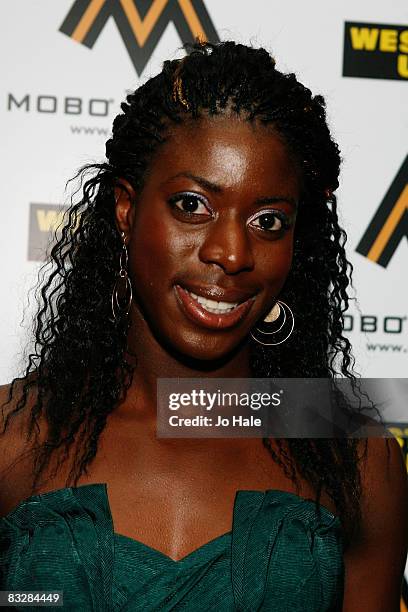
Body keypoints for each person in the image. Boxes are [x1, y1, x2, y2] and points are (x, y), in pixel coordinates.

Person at [0, 40, 407, 611]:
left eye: (268, 220)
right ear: (126, 208)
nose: (232, 252)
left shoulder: (355, 459)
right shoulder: (12, 438)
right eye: (193, 205)